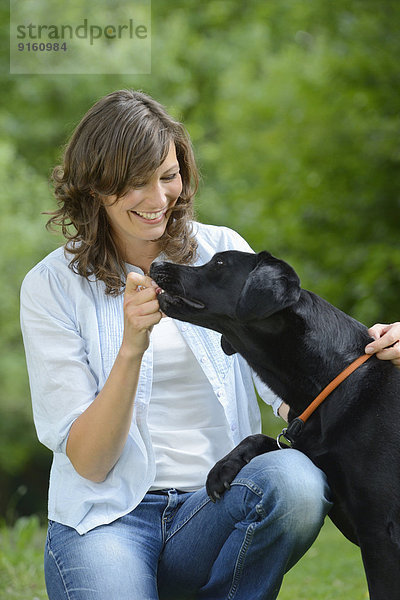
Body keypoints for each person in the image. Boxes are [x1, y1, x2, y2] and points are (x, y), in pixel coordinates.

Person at [19, 88, 392, 600]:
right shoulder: (53, 286)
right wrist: (132, 347)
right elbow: (90, 462)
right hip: (106, 522)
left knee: (295, 483)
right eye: (135, 184)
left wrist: (380, 357)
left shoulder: (222, 252)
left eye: (168, 177)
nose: (158, 200)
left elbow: (295, 388)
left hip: (218, 505)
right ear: (95, 186)